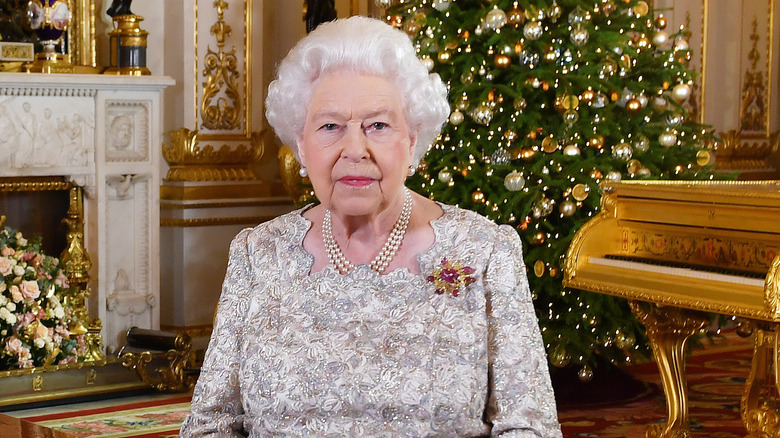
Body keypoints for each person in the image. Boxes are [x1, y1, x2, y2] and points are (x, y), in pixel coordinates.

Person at [181, 16, 562, 437]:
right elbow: (210, 424)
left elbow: (530, 427)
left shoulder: (485, 251)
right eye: (331, 127)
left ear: (413, 138)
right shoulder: (258, 253)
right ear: (301, 144)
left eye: (377, 125)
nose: (354, 149)